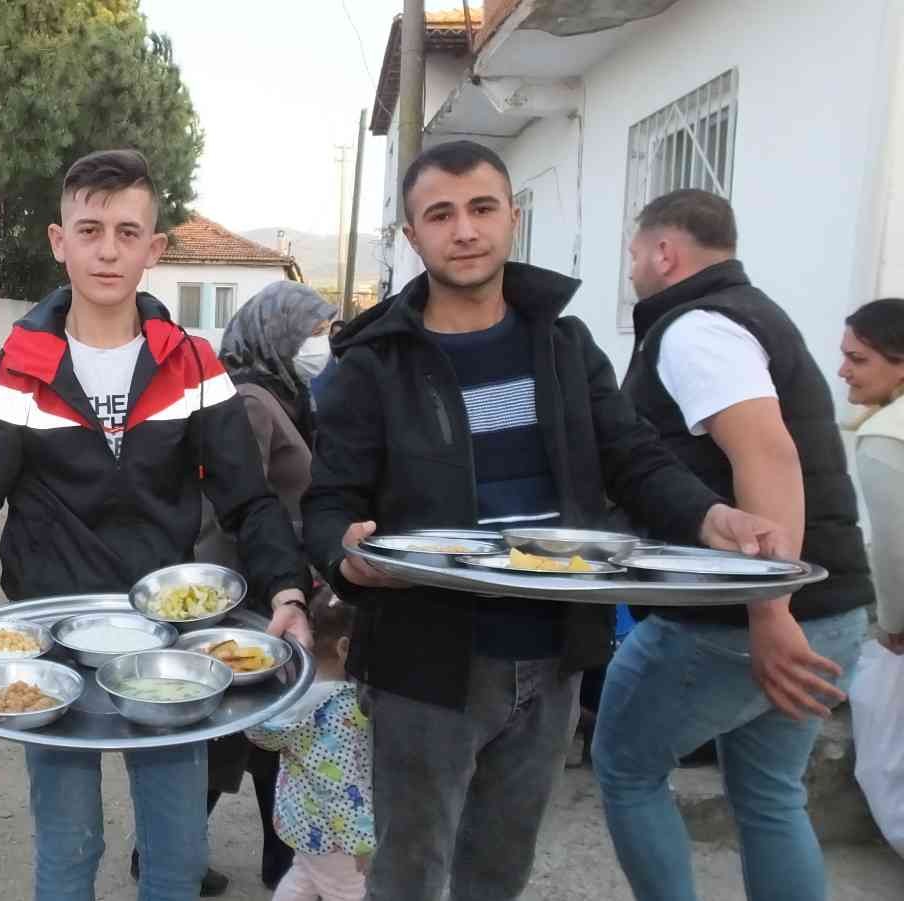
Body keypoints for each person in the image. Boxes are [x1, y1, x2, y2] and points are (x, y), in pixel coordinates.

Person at [301, 140, 785, 901]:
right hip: (425, 666)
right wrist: (345, 551)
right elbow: (328, 501)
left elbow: (636, 457)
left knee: (499, 871)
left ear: (512, 218)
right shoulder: (374, 365)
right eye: (441, 214)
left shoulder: (562, 345)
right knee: (409, 870)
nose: (465, 229)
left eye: (483, 208)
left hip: (553, 657)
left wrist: (710, 515)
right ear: (412, 235)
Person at [0, 149, 313, 901]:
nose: (107, 249)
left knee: (177, 855)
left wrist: (287, 590)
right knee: (68, 847)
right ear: (60, 240)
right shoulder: (20, 363)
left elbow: (249, 498)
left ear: (155, 248)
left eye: (126, 231)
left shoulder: (193, 364)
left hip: (168, 649)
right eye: (90, 229)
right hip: (49, 640)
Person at [593, 190, 875, 901]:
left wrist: (769, 611)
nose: (631, 271)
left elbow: (769, 458)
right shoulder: (755, 314)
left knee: (625, 765)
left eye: (633, 254)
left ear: (665, 253)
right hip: (832, 609)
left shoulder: (697, 329)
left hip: (744, 622)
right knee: (771, 796)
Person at [182, 280, 337, 891]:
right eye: (312, 333)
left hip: (280, 584)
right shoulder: (250, 399)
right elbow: (235, 506)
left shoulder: (288, 396)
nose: (321, 345)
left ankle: (261, 861)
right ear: (276, 335)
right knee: (251, 735)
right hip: (252, 592)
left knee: (259, 737)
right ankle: (257, 863)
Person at [246, 593, 373, 901]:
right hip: (346, 838)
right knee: (348, 893)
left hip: (303, 825)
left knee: (303, 877)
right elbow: (352, 784)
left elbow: (260, 733)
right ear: (345, 649)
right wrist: (364, 843)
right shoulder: (354, 706)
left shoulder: (297, 699)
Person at [842, 298, 904, 654]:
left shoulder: (886, 434)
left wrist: (892, 622)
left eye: (858, 359)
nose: (842, 371)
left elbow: (895, 546)